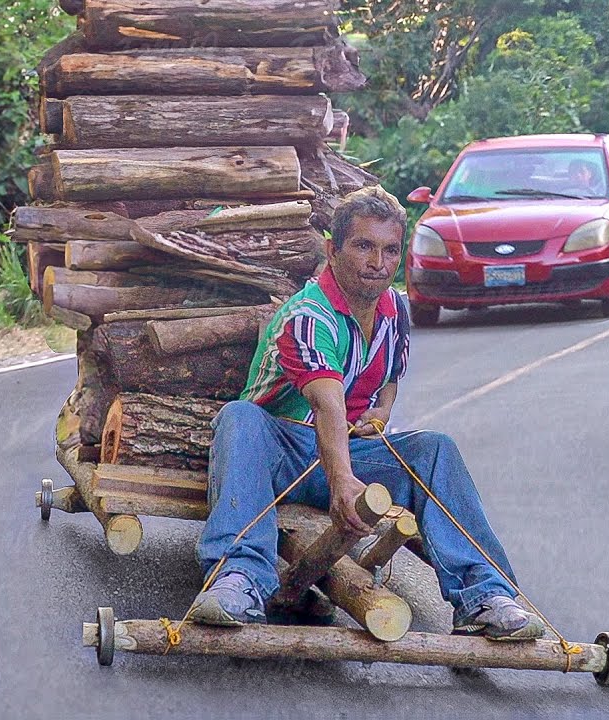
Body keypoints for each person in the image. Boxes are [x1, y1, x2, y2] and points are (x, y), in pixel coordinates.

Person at [188, 185, 545, 641]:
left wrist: (379, 413)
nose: (378, 261)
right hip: (282, 452)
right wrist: (341, 483)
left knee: (435, 448)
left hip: (350, 449)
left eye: (390, 249)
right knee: (239, 417)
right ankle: (238, 579)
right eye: (363, 246)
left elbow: (390, 380)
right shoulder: (307, 316)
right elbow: (327, 403)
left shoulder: (395, 309)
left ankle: (485, 596)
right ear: (332, 250)